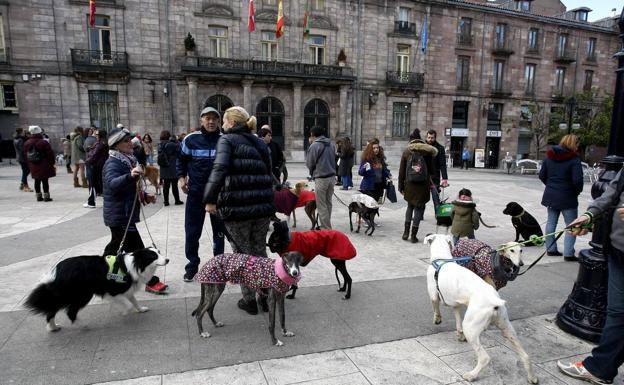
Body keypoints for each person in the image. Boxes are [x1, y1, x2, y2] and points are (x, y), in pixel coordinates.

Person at [204, 106, 276, 315]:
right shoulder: (261, 143)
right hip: (262, 208)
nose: (222, 125)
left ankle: (250, 301)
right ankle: (265, 296)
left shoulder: (226, 140)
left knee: (242, 254)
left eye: (224, 121)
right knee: (259, 252)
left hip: (237, 208)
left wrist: (209, 199)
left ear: (232, 123)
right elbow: (270, 172)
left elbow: (219, 169)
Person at [557, 170, 624, 385]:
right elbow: (612, 192)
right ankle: (600, 368)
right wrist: (589, 216)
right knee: (617, 312)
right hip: (618, 248)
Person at [102, 128, 166, 294]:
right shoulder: (113, 163)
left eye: (130, 140)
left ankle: (101, 271)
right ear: (116, 145)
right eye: (126, 141)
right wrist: (130, 176)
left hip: (123, 214)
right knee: (137, 249)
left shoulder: (127, 160)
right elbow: (112, 184)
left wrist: (145, 196)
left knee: (114, 247)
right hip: (119, 215)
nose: (131, 143)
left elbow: (131, 187)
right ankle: (150, 281)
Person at [178, 107, 226, 283]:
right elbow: (181, 160)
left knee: (219, 233)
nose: (211, 122)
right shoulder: (191, 139)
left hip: (218, 195)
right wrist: (181, 178)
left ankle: (218, 266)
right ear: (201, 120)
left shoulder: (224, 140)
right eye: (208, 118)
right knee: (192, 232)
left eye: (215, 118)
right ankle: (192, 266)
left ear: (219, 121)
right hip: (196, 194)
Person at [539, 134, 583, 261]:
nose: (578, 147)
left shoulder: (549, 156)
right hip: (568, 197)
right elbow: (577, 181)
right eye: (577, 144)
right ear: (573, 144)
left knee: (551, 222)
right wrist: (576, 192)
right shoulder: (574, 160)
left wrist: (551, 185)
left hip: (551, 195)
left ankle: (551, 249)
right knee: (572, 225)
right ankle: (568, 253)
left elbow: (542, 175)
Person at [398, 129, 437, 243]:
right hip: (423, 186)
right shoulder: (427, 152)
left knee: (410, 207)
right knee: (419, 208)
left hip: (410, 184)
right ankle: (413, 236)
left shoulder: (406, 152)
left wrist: (400, 186)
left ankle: (405, 233)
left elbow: (401, 171)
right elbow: (431, 170)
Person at [306, 126, 336, 230]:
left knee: (321, 204)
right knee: (328, 203)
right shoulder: (331, 144)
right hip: (332, 177)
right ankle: (327, 224)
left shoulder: (315, 146)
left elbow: (309, 163)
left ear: (312, 135)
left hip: (321, 178)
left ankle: (325, 228)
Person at [24, 126, 56, 202]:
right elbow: (50, 154)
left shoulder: (27, 142)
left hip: (33, 164)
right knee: (45, 180)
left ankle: (38, 196)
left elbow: (25, 154)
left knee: (36, 180)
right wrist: (52, 162)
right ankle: (46, 196)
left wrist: (29, 164)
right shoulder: (43, 142)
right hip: (44, 164)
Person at [358, 138, 391, 203]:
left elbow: (384, 170)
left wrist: (388, 174)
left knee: (375, 208)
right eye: (374, 148)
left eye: (377, 148)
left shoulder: (380, 158)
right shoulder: (366, 159)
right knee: (368, 208)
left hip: (379, 186)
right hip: (369, 187)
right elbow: (360, 172)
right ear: (370, 149)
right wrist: (364, 168)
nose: (376, 150)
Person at [84, 130, 108, 208]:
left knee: (92, 185)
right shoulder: (104, 144)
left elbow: (94, 156)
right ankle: (92, 201)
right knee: (98, 185)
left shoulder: (100, 145)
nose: (95, 136)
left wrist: (87, 161)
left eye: (97, 135)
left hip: (94, 166)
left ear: (100, 136)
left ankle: (91, 202)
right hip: (99, 166)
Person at [158, 130, 183, 207]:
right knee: (174, 185)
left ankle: (166, 202)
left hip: (164, 167)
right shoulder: (172, 144)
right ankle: (177, 200)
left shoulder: (160, 144)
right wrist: (175, 140)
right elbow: (180, 148)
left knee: (166, 185)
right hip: (172, 166)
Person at [426, 129, 449, 210]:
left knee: (435, 197)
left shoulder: (440, 148)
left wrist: (445, 178)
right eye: (428, 137)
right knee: (421, 198)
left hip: (434, 177)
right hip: (423, 177)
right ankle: (419, 216)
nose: (430, 139)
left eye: (432, 138)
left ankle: (438, 215)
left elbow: (443, 164)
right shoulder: (423, 147)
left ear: (435, 138)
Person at [13, 128, 33, 192]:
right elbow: (22, 150)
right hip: (23, 158)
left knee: (25, 171)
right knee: (26, 171)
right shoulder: (21, 140)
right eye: (23, 132)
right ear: (21, 132)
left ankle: (22, 184)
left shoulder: (16, 139)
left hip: (19, 157)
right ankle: (25, 186)